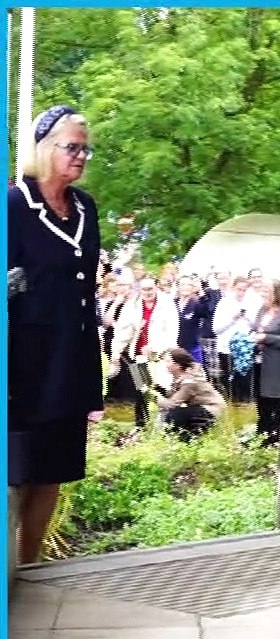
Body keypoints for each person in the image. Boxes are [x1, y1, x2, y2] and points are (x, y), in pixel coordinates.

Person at [7, 105, 105, 565]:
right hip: (24, 363)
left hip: (70, 358)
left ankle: (31, 563)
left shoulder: (86, 208)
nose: (81, 156)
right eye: (72, 147)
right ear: (43, 148)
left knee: (53, 469)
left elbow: (87, 288)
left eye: (86, 148)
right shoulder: (13, 206)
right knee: (17, 470)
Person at [110, 275, 180, 427]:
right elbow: (123, 330)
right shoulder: (132, 305)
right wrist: (116, 351)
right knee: (141, 390)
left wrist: (155, 347)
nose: (147, 292)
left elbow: (172, 333)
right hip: (139, 355)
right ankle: (141, 425)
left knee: (162, 388)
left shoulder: (167, 304)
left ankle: (164, 425)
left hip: (161, 356)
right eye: (143, 289)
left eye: (150, 289)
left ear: (156, 288)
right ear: (139, 289)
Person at [251, 278, 280, 445]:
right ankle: (262, 431)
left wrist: (266, 338)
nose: (263, 294)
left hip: (276, 363)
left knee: (275, 397)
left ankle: (276, 434)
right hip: (259, 360)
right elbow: (256, 328)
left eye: (266, 291)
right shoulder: (262, 309)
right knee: (260, 396)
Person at [155, 347, 226, 440]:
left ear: (178, 365)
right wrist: (158, 388)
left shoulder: (189, 381)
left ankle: (168, 441)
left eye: (168, 362)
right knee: (179, 420)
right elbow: (174, 395)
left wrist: (155, 398)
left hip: (211, 410)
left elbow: (172, 404)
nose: (165, 365)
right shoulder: (181, 376)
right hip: (202, 410)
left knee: (174, 415)